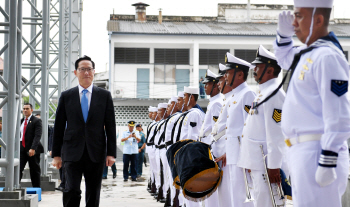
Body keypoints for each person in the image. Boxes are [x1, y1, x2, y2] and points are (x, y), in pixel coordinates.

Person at [273, 1, 350, 206]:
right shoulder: (309, 53)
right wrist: (283, 36)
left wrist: (328, 158)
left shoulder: (327, 56)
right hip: (303, 152)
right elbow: (283, 58)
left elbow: (340, 113)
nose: (294, 23)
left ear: (318, 20)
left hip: (318, 153)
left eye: (299, 16)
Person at [51, 55, 116, 207]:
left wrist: (111, 153)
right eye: (82, 69)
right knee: (71, 189)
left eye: (89, 69)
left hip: (96, 151)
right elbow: (59, 127)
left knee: (93, 192)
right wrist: (56, 155)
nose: (86, 72)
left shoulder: (104, 96)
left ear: (94, 72)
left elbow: (111, 125)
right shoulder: (67, 96)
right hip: (72, 152)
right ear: (76, 72)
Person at [237, 45, 286, 207]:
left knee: (269, 202)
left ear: (270, 71)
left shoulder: (274, 93)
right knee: (261, 201)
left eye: (258, 66)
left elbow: (276, 132)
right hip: (258, 163)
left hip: (267, 165)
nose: (254, 69)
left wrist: (274, 165)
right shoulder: (263, 93)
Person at [19, 103, 44, 188]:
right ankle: (15, 186)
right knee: (18, 169)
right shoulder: (21, 121)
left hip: (33, 150)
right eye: (24, 109)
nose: (25, 110)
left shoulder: (36, 121)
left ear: (31, 110)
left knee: (34, 170)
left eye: (27, 109)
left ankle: (37, 189)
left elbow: (38, 135)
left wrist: (33, 148)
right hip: (22, 149)